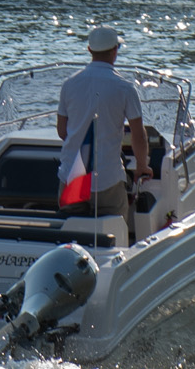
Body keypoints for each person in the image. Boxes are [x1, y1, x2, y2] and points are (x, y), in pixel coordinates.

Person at [55, 25, 152, 241]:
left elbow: (63, 131)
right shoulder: (125, 88)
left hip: (73, 177)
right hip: (107, 178)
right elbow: (138, 135)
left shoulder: (69, 85)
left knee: (69, 237)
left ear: (89, 50)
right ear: (115, 50)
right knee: (114, 236)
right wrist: (142, 166)